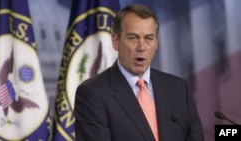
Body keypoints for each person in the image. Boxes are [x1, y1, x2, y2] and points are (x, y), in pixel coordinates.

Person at [74, 4, 204, 141]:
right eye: (133, 38)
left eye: (148, 38)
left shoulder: (178, 88)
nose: (141, 47)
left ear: (156, 42)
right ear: (116, 41)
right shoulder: (92, 94)